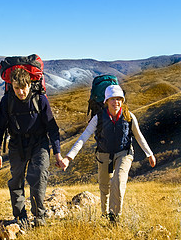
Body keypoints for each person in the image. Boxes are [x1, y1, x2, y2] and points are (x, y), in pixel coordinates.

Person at [61, 84, 156, 222]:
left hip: (124, 153)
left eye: (119, 99)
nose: (116, 102)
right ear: (106, 101)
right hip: (103, 154)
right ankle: (105, 214)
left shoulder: (129, 116)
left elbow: (138, 136)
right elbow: (83, 137)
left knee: (118, 180)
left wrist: (149, 154)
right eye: (112, 99)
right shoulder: (98, 118)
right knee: (104, 187)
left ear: (122, 100)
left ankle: (114, 216)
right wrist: (69, 158)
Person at [0, 68, 65, 226]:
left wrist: (58, 153)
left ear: (30, 84)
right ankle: (20, 217)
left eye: (23, 87)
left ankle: (39, 216)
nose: (21, 92)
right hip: (17, 145)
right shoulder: (7, 101)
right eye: (16, 88)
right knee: (16, 180)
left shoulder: (40, 99)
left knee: (38, 176)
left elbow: (52, 128)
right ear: (11, 86)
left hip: (39, 143)